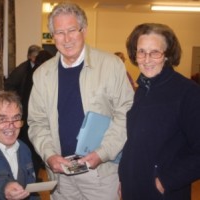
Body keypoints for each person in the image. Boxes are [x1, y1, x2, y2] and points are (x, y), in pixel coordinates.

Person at [27, 2, 134, 200]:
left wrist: (102, 153)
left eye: (71, 30)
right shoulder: (42, 74)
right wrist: (49, 156)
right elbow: (37, 122)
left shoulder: (111, 65)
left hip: (100, 174)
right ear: (52, 36)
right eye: (59, 32)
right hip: (61, 175)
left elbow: (126, 114)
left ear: (84, 30)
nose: (66, 39)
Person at [118, 23, 200, 200]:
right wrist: (124, 178)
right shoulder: (142, 90)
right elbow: (135, 142)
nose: (147, 59)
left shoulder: (187, 92)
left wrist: (166, 182)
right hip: (134, 188)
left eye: (155, 52)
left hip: (163, 193)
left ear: (168, 56)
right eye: (141, 52)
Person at [0, 91, 39, 200]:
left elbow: (31, 191)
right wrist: (5, 189)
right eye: (3, 119)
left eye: (16, 118)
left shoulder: (24, 149)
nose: (11, 126)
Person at [5, 46, 52, 177]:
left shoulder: (33, 72)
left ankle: (30, 178)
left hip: (26, 117)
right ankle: (30, 180)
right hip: (29, 117)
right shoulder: (36, 74)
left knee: (29, 149)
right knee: (31, 150)